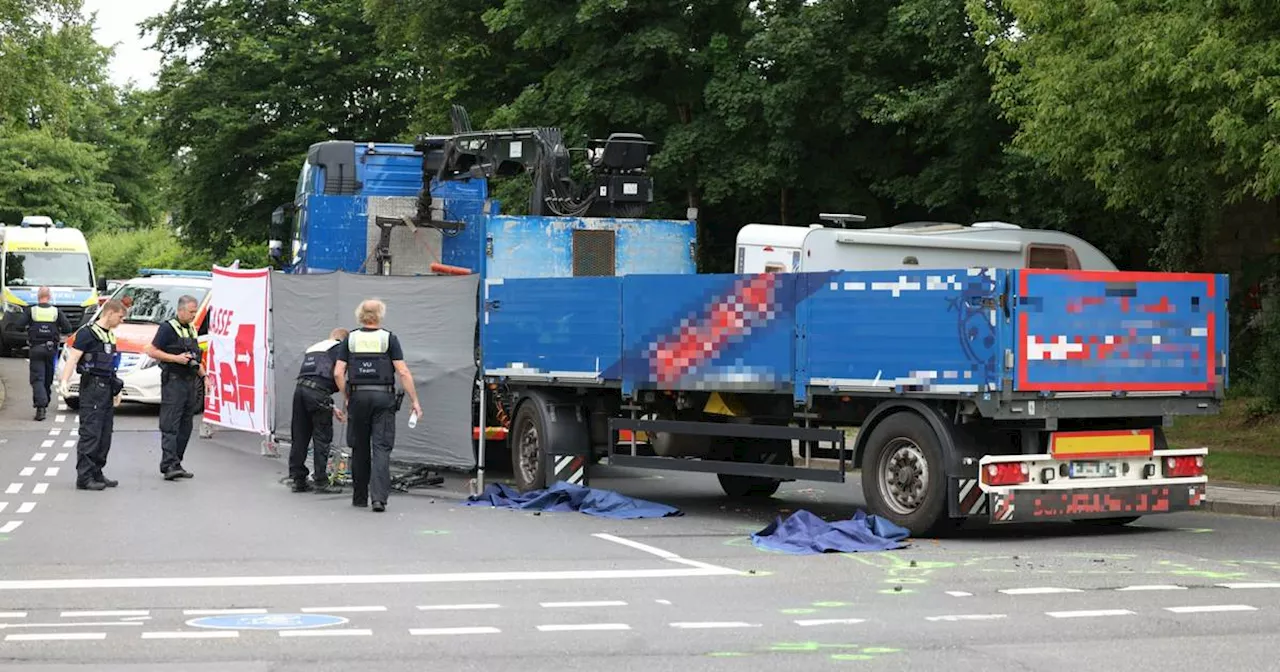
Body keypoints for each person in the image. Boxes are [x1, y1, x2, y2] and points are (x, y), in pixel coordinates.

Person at [333, 299, 421, 512]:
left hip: (358, 398)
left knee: (359, 447)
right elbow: (403, 372)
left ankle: (359, 497)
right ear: (380, 315)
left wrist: (347, 395)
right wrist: (414, 401)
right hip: (383, 398)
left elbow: (338, 372)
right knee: (381, 447)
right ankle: (379, 499)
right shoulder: (389, 338)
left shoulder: (350, 339)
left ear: (360, 315)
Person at [57, 299, 125, 491]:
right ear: (110, 313)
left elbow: (110, 364)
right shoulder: (87, 333)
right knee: (91, 433)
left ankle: (97, 472)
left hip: (106, 387)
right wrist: (64, 381)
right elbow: (74, 358)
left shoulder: (109, 336)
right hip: (92, 388)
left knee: (105, 434)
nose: (121, 321)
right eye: (120, 316)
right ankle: (84, 477)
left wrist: (116, 390)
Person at [144, 295, 202, 481]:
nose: (194, 315)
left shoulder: (191, 329)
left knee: (186, 425)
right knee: (170, 424)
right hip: (174, 381)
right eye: (191, 311)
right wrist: (175, 358)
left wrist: (205, 376)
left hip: (190, 382)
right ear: (181, 310)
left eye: (195, 311)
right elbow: (151, 351)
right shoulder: (167, 328)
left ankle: (177, 462)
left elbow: (195, 357)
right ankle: (168, 464)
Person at [289, 327, 349, 494]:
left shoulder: (314, 348)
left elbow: (313, 379)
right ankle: (321, 481)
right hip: (318, 394)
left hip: (300, 391)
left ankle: (298, 480)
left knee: (299, 436)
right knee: (322, 437)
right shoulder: (339, 348)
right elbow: (336, 376)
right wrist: (346, 396)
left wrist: (333, 407)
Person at [15, 287, 73, 420]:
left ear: (38, 297)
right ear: (50, 296)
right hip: (51, 350)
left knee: (37, 378)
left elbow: (18, 326)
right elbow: (68, 328)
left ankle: (41, 408)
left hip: (35, 349)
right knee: (47, 378)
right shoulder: (56, 312)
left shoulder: (32, 311)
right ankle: (45, 400)